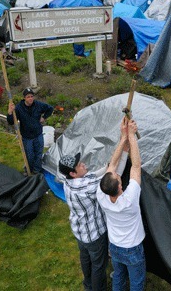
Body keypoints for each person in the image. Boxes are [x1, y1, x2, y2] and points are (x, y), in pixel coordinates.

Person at [58, 141, 128, 290]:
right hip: (94, 235)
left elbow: (100, 172)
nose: (83, 164)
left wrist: (110, 163)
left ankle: (87, 285)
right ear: (73, 173)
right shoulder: (87, 187)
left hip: (80, 231)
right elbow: (112, 176)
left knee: (85, 257)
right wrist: (124, 147)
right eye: (79, 165)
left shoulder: (68, 180)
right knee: (99, 265)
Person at [97, 118, 145, 291]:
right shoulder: (129, 199)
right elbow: (136, 167)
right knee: (137, 282)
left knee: (118, 276)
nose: (118, 175)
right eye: (118, 178)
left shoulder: (101, 193)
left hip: (115, 246)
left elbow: (113, 165)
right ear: (120, 186)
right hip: (132, 248)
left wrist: (123, 138)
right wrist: (131, 135)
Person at [7, 88, 53, 174]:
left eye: (32, 96)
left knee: (38, 154)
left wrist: (44, 117)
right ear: (24, 98)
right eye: (28, 97)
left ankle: (36, 171)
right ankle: (28, 169)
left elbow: (50, 108)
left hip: (38, 134)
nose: (31, 98)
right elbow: (11, 122)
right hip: (27, 137)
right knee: (29, 155)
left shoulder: (38, 105)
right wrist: (10, 112)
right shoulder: (19, 108)